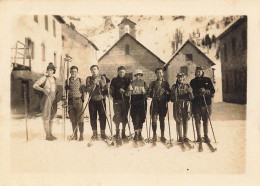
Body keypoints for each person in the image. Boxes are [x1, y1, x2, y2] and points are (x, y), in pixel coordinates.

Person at [33, 62, 58, 141]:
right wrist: (43, 89)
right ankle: (47, 135)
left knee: (51, 116)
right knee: (46, 116)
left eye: (51, 70)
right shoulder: (44, 78)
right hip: (47, 98)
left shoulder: (54, 78)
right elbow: (35, 85)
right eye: (48, 70)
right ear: (47, 71)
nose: (50, 72)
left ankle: (50, 134)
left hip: (54, 98)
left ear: (54, 71)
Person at [190, 66, 215, 142]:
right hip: (196, 104)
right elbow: (191, 92)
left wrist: (206, 91)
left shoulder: (207, 80)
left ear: (202, 72)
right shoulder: (192, 81)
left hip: (206, 103)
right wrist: (197, 92)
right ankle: (199, 137)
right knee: (197, 120)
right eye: (197, 72)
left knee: (205, 120)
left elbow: (212, 91)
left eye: (199, 71)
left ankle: (206, 136)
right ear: (195, 72)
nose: (198, 73)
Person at [148, 68, 170, 143]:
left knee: (162, 119)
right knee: (154, 119)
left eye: (160, 73)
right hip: (155, 102)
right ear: (156, 74)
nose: (159, 74)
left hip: (163, 103)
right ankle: (154, 135)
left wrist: (167, 94)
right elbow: (149, 94)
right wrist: (151, 93)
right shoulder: (153, 83)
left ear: (163, 74)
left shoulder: (166, 83)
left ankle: (162, 135)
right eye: (158, 73)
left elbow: (169, 93)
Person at [170, 72, 194, 143]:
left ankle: (185, 136)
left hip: (186, 104)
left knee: (185, 119)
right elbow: (171, 97)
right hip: (177, 104)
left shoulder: (187, 86)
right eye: (179, 77)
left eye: (182, 77)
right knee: (178, 120)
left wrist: (190, 93)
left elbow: (192, 97)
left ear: (184, 78)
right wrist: (173, 96)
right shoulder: (174, 86)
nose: (180, 79)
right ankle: (180, 137)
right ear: (177, 78)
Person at [86, 65, 107, 140]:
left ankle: (103, 133)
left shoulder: (102, 77)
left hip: (101, 100)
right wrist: (93, 84)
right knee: (93, 117)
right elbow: (87, 89)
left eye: (95, 69)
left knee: (102, 116)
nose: (94, 71)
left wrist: (100, 83)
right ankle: (94, 133)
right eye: (92, 70)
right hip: (92, 100)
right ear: (91, 71)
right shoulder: (89, 78)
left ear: (98, 70)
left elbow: (105, 88)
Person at [110, 66, 131, 140]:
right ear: (118, 72)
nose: (122, 73)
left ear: (125, 72)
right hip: (117, 100)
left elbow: (130, 89)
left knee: (124, 116)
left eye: (123, 72)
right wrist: (116, 93)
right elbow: (111, 90)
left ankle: (123, 132)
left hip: (125, 101)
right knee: (117, 116)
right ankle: (117, 132)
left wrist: (126, 92)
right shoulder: (114, 80)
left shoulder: (128, 79)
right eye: (120, 72)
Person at [65, 66, 85, 141]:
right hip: (70, 101)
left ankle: (81, 135)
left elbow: (83, 91)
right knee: (73, 119)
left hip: (78, 100)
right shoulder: (67, 81)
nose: (73, 73)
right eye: (72, 71)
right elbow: (65, 92)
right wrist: (66, 89)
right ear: (70, 72)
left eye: (75, 71)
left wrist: (82, 99)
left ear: (77, 72)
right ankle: (75, 134)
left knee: (80, 119)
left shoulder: (80, 80)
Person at [128, 69, 148, 141]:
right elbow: (129, 92)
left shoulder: (144, 83)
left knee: (141, 118)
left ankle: (140, 133)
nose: (138, 77)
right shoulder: (132, 83)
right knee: (135, 117)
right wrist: (129, 91)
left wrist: (145, 93)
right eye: (137, 75)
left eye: (139, 75)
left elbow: (147, 93)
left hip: (142, 101)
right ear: (135, 76)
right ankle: (136, 134)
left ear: (141, 76)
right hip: (134, 100)